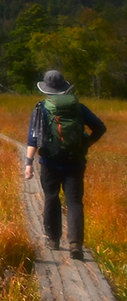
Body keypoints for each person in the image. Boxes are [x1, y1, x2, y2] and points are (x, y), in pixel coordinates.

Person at [24, 70, 107, 260]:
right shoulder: (79, 107)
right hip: (75, 163)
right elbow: (100, 127)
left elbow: (33, 139)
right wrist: (87, 143)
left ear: (46, 88)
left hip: (50, 162)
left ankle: (53, 239)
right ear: (64, 87)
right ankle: (75, 243)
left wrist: (28, 163)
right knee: (75, 202)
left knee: (51, 197)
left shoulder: (41, 108)